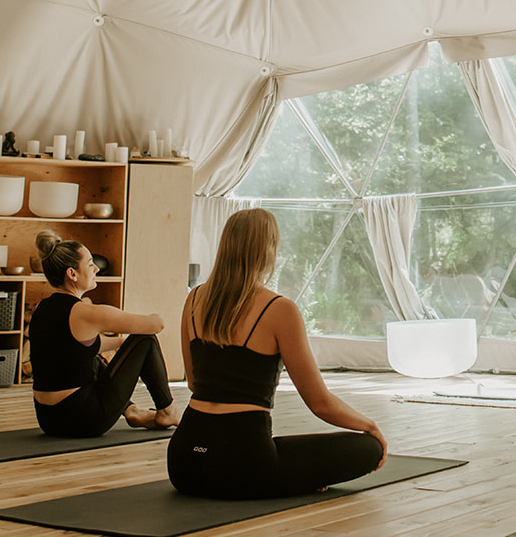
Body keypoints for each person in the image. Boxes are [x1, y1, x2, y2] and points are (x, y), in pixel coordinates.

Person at [168, 208, 386, 499]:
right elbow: (320, 403)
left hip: (185, 464)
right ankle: (296, 477)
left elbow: (194, 384)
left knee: (283, 450)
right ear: (268, 250)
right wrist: (370, 426)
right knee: (368, 448)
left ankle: (293, 474)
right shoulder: (280, 310)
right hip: (245, 467)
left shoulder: (194, 298)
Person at [27, 228, 180, 437]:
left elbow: (77, 348)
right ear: (72, 274)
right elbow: (156, 325)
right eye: (90, 264)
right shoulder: (87, 312)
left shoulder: (40, 308)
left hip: (48, 419)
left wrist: (124, 345)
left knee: (90, 358)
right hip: (84, 419)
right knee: (146, 340)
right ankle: (168, 410)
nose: (96, 269)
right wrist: (143, 332)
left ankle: (132, 410)